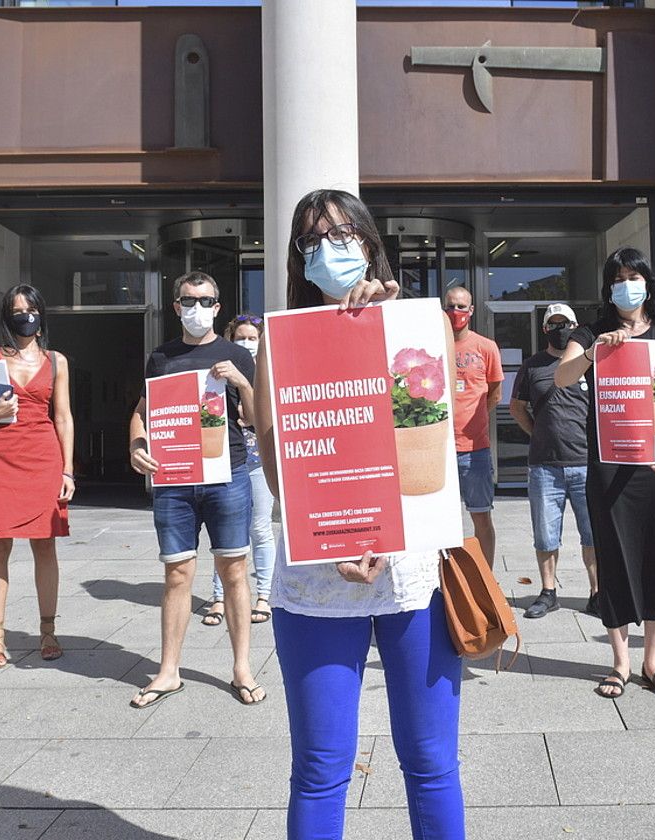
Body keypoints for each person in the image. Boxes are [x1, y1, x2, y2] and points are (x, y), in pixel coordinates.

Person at [255, 188, 463, 840]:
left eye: (342, 235)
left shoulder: (416, 323)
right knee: (320, 768)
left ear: (370, 243)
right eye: (312, 241)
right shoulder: (281, 337)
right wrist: (333, 533)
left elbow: (436, 422)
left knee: (431, 763)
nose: (328, 251)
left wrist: (391, 319)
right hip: (318, 579)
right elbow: (274, 451)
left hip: (412, 575)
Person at [554, 247, 655, 700]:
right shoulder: (591, 331)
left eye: (633, 276)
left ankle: (653, 661)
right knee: (613, 556)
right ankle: (619, 662)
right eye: (617, 278)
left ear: (648, 283)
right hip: (610, 463)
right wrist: (593, 353)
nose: (625, 285)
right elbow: (562, 377)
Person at [128, 271, 262, 708]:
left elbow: (259, 418)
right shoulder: (160, 358)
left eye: (206, 301)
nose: (197, 308)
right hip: (175, 481)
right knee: (177, 574)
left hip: (228, 475)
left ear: (217, 307)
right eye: (189, 300)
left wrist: (241, 383)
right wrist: (137, 445)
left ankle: (242, 666)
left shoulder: (237, 356)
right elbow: (142, 412)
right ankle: (169, 670)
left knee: (235, 572)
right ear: (176, 306)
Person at [0, 284, 75, 669]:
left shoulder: (57, 361)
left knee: (45, 545)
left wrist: (67, 469)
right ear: (6, 316)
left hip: (43, 457)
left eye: (30, 309)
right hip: (0, 456)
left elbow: (63, 417)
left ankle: (48, 630)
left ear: (40, 317)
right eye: (15, 310)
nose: (24, 316)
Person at [509, 303, 598, 618]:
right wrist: (536, 433)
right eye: (553, 324)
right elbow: (517, 406)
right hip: (545, 466)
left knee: (593, 533)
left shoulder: (589, 364)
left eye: (565, 324)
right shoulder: (532, 366)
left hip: (587, 463)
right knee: (546, 535)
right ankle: (548, 593)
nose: (559, 329)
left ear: (575, 326)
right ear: (545, 329)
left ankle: (597, 593)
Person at [202, 313, 275, 628]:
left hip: (259, 459)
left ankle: (264, 596)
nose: (246, 343)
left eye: (252, 338)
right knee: (225, 534)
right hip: (226, 458)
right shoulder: (219, 373)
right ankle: (218, 597)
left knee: (260, 529)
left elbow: (263, 418)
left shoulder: (270, 374)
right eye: (240, 338)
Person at [445, 285, 503, 567]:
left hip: (475, 450)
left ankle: (485, 577)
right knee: (441, 523)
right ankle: (445, 579)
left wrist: (476, 414)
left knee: (481, 517)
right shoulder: (432, 343)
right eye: (450, 306)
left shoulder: (486, 347)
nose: (455, 311)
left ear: (471, 310)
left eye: (460, 306)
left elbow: (495, 392)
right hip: (439, 451)